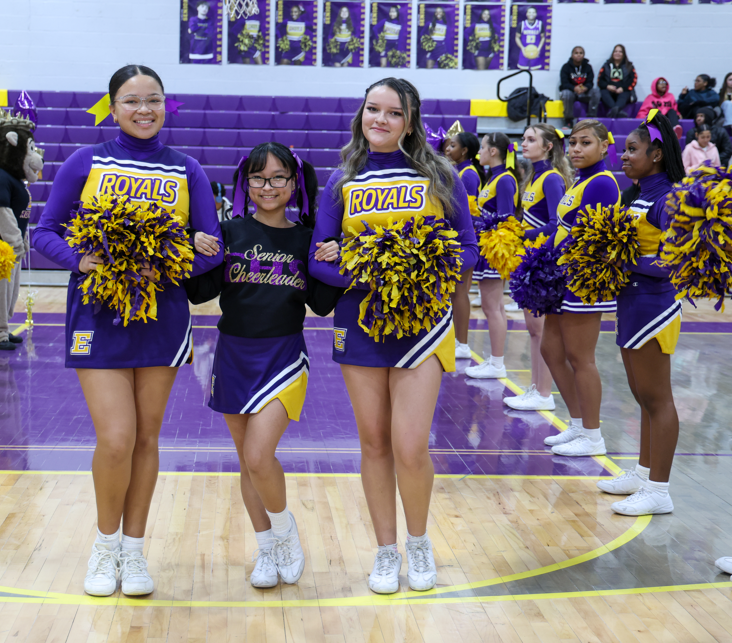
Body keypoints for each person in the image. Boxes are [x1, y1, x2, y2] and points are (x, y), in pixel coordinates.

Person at [33, 65, 223, 597]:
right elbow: (45, 231)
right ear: (113, 107)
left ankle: (135, 551)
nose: (145, 110)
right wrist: (82, 262)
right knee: (115, 438)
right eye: (132, 101)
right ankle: (104, 544)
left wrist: (171, 263)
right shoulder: (85, 160)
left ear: (167, 106)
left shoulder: (187, 169)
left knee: (145, 437)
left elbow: (212, 247)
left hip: (163, 315)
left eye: (154, 100)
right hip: (98, 313)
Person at [308, 77, 478, 594]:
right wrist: (374, 274)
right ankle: (386, 551)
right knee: (374, 442)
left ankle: (419, 542)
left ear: (411, 120)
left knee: (410, 446)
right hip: (360, 323)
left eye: (392, 112)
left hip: (422, 326)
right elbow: (320, 260)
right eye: (371, 110)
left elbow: (468, 249)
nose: (379, 120)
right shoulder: (342, 180)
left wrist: (423, 271)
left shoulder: (440, 174)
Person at [186, 142, 340, 589]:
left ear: (294, 184)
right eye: (257, 178)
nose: (267, 187)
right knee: (248, 463)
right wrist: (196, 248)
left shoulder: (306, 237)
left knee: (259, 455)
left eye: (277, 178)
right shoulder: (229, 232)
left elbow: (324, 304)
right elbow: (199, 294)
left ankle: (286, 534)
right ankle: (266, 548)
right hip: (232, 355)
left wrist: (335, 259)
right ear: (245, 183)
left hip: (283, 357)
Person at [597, 111, 684, 516]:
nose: (625, 156)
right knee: (641, 396)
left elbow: (674, 263)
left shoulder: (667, 196)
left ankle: (659, 491)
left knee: (658, 398)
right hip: (631, 302)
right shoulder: (639, 193)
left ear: (657, 154)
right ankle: (644, 472)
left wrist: (621, 260)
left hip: (655, 306)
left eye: (633, 150)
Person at [540, 119, 620, 457]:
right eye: (572, 143)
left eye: (585, 143)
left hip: (583, 280)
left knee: (580, 357)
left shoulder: (602, 183)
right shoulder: (581, 181)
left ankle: (592, 435)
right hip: (563, 275)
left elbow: (587, 238)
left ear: (604, 146)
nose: (575, 149)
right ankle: (576, 424)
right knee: (551, 350)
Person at [505, 124, 572, 412]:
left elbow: (558, 224)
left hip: (543, 261)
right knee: (534, 331)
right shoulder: (535, 176)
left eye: (531, 139)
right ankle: (536, 388)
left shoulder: (552, 178)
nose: (524, 143)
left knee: (541, 331)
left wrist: (523, 235)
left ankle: (544, 392)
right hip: (530, 259)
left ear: (548, 146)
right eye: (523, 138)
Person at [0, 118, 42, 351]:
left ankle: (1, 329)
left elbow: (18, 215)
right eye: (30, 150)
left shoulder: (14, 179)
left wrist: (21, 242)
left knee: (8, 293)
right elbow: (1, 212)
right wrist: (15, 241)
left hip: (10, 248)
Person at [466, 133, 516, 381]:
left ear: (494, 151)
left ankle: (497, 363)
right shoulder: (493, 178)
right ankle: (495, 360)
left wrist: (474, 221)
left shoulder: (505, 180)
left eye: (483, 147)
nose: (480, 152)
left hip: (496, 248)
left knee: (492, 307)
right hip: (487, 246)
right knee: (492, 307)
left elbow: (506, 220)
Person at [445, 131, 482, 360]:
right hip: (454, 237)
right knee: (454, 292)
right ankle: (456, 339)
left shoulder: (468, 175)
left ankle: (463, 343)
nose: (448, 150)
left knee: (460, 292)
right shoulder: (458, 171)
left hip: (463, 238)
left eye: (452, 146)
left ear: (464, 150)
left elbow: (464, 212)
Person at [559, 46, 600, 128]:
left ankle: (590, 119)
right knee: (565, 94)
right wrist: (574, 88)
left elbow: (590, 82)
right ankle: (568, 120)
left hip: (584, 92)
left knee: (596, 91)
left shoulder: (588, 67)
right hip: (572, 92)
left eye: (581, 53)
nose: (578, 55)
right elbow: (564, 83)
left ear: (583, 55)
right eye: (576, 53)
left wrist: (585, 88)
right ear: (572, 55)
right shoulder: (566, 67)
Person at [597, 44, 637, 118]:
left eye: (620, 51)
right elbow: (600, 81)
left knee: (625, 93)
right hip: (609, 90)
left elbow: (633, 80)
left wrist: (623, 88)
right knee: (603, 92)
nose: (617, 53)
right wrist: (607, 86)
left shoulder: (629, 66)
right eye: (616, 51)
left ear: (623, 54)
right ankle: (616, 110)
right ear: (613, 53)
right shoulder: (606, 65)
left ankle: (614, 110)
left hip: (623, 90)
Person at [514, 7, 545, 71]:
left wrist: (539, 49)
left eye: (533, 12)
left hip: (535, 51)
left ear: (536, 14)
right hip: (524, 51)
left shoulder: (540, 24)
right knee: (522, 72)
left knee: (535, 72)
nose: (531, 14)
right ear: (526, 14)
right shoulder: (521, 24)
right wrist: (522, 48)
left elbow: (543, 37)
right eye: (530, 12)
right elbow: (517, 37)